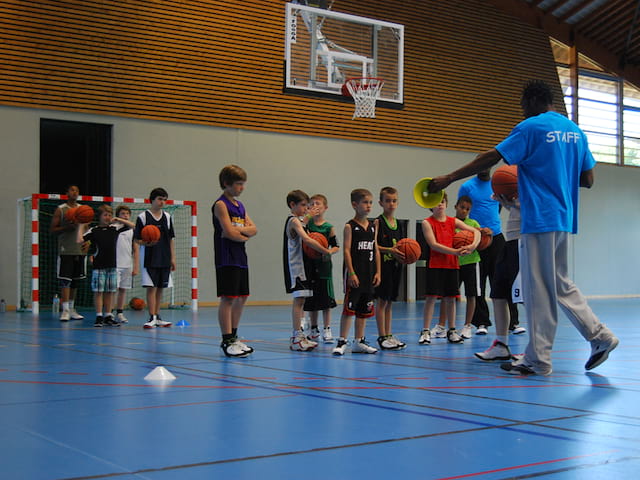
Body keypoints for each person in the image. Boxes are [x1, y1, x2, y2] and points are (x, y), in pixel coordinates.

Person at [429, 79, 619, 374]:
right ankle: (600, 336)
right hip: (564, 218)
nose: (522, 112)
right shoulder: (576, 132)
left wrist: (449, 178)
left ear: (531, 102)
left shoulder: (531, 127)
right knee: (560, 284)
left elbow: (492, 157)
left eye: (522, 106)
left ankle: (538, 359)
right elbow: (588, 180)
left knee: (537, 289)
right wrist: (555, 178)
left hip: (539, 217)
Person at [419, 193, 480, 345]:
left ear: (446, 204)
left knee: (451, 299)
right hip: (435, 264)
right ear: (430, 205)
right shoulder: (427, 222)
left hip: (452, 265)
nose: (440, 204)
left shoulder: (454, 221)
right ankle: (425, 331)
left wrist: (472, 246)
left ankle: (452, 331)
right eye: (437, 201)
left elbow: (477, 232)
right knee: (431, 298)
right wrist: (455, 252)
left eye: (443, 201)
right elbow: (433, 244)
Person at [284, 190, 338, 351]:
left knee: (302, 301)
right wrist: (325, 250)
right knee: (299, 301)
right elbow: (307, 239)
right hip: (296, 267)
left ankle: (300, 335)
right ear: (292, 205)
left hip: (304, 267)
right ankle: (296, 337)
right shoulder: (294, 220)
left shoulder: (302, 222)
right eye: (303, 205)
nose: (306, 208)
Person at [212, 165, 257, 357]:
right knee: (228, 298)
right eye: (238, 184)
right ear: (226, 184)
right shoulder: (221, 205)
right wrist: (241, 233)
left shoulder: (240, 206)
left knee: (242, 296)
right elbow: (228, 232)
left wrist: (239, 233)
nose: (242, 188)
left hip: (241, 257)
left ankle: (235, 336)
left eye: (243, 184)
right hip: (226, 257)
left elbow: (254, 228)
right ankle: (226, 339)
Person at [333, 189, 382, 355]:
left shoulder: (373, 226)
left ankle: (359, 341)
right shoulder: (350, 226)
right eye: (365, 202)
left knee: (364, 310)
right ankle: (342, 341)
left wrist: (378, 272)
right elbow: (346, 251)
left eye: (370, 203)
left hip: (369, 274)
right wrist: (352, 273)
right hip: (355, 274)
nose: (368, 206)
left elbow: (375, 250)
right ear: (355, 205)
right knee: (349, 309)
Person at [475, 194, 523, 361]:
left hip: (526, 240)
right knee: (498, 294)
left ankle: (537, 348)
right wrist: (505, 201)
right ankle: (501, 345)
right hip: (509, 240)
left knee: (529, 297)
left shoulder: (538, 180)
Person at [457, 170, 502, 335]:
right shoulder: (467, 186)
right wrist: (476, 231)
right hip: (475, 238)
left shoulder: (498, 183)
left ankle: (513, 322)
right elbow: (463, 206)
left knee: (502, 278)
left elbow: (500, 204)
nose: (484, 168)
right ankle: (481, 322)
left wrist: (492, 226)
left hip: (495, 236)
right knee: (478, 283)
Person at [77, 205, 129, 327]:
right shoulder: (94, 230)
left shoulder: (115, 229)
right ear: (99, 217)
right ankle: (99, 315)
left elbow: (133, 226)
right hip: (99, 265)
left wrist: (118, 219)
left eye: (109, 215)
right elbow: (80, 240)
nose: (108, 217)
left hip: (112, 266)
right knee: (98, 291)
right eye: (105, 215)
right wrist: (80, 225)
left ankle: (108, 315)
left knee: (110, 291)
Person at [134, 187, 175, 329]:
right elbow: (137, 239)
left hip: (164, 257)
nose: (162, 202)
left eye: (164, 199)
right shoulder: (143, 217)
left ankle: (158, 316)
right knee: (151, 288)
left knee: (160, 288)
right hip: (149, 257)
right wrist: (146, 242)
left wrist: (173, 258)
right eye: (159, 199)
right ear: (152, 200)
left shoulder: (168, 217)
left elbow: (170, 239)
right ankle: (151, 316)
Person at [374, 186, 407, 350]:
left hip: (395, 267)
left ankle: (388, 334)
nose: (391, 204)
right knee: (381, 302)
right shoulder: (378, 222)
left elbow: (402, 246)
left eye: (394, 201)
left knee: (389, 303)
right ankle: (381, 336)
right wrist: (390, 251)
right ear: (381, 203)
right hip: (383, 267)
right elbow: (373, 246)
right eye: (387, 201)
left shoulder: (399, 224)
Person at [303, 194, 339, 344]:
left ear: (325, 208)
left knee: (325, 301)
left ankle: (327, 329)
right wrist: (307, 216)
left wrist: (329, 252)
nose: (315, 206)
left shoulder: (328, 227)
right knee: (311, 300)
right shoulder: (307, 224)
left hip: (324, 266)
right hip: (309, 265)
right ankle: (313, 329)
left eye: (318, 204)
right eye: (311, 204)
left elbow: (336, 246)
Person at [50, 184, 88, 321]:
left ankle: (72, 308)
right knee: (65, 281)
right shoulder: (61, 209)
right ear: (67, 192)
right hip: (66, 250)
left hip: (80, 251)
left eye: (77, 190)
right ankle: (64, 309)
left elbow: (87, 230)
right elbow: (53, 229)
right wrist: (66, 227)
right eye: (72, 190)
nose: (75, 192)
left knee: (75, 282)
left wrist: (88, 243)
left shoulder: (83, 210)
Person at [453, 195, 481, 339]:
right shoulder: (450, 223)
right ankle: (448, 327)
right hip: (454, 263)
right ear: (455, 207)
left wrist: (486, 234)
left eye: (467, 209)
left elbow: (481, 240)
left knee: (471, 295)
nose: (464, 211)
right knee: (450, 296)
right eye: (462, 207)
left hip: (471, 262)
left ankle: (467, 326)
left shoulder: (473, 224)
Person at [113, 205, 139, 324]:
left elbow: (136, 249)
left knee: (123, 290)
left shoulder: (132, 230)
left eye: (127, 214)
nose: (126, 215)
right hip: (115, 264)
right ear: (118, 215)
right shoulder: (113, 227)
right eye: (123, 213)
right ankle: (109, 313)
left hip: (127, 264)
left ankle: (120, 312)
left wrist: (136, 266)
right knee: (113, 289)